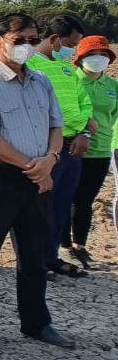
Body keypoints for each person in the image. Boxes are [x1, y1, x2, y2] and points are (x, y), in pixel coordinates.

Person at [0, 12, 74, 350]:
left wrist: (50, 161)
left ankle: (37, 323)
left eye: (32, 40)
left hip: (39, 177)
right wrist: (30, 165)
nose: (26, 46)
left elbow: (56, 125)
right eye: (18, 40)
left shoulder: (41, 81)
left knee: (35, 256)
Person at [27, 14, 94, 278]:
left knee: (61, 205)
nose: (73, 50)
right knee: (41, 205)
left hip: (73, 147)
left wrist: (84, 133)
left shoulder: (68, 69)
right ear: (54, 39)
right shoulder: (30, 65)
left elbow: (84, 102)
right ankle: (34, 260)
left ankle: (51, 257)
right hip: (46, 147)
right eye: (72, 43)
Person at [66, 36, 118, 269]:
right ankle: (62, 242)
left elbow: (112, 116)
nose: (98, 59)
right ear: (81, 58)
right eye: (92, 55)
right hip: (73, 149)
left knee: (86, 200)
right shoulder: (72, 81)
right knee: (66, 198)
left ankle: (80, 245)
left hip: (101, 151)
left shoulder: (112, 86)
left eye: (103, 55)